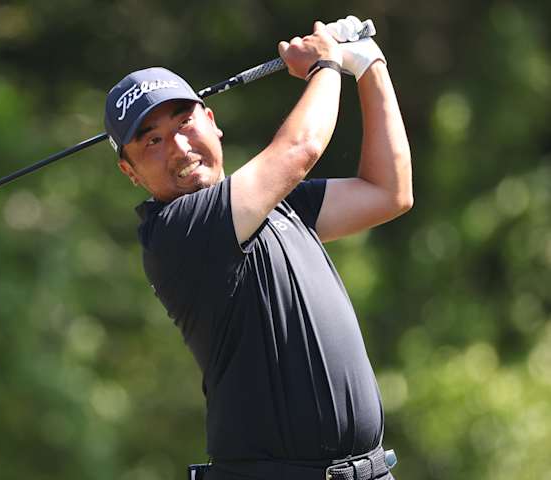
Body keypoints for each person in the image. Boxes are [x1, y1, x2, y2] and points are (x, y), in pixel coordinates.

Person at [103, 17, 412, 480]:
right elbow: (299, 150)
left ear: (212, 122)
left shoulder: (281, 206)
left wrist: (369, 64)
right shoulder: (176, 234)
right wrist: (326, 64)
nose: (180, 147)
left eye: (185, 122)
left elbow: (389, 192)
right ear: (130, 172)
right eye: (152, 141)